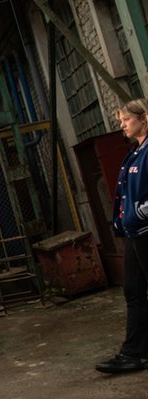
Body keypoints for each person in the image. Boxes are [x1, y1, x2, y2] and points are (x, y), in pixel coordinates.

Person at [99, 97, 148, 373]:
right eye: (120, 121)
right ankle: (134, 353)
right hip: (134, 233)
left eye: (126, 120)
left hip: (145, 229)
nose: (122, 126)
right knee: (133, 290)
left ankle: (133, 352)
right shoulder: (135, 152)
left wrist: (138, 213)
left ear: (143, 119)